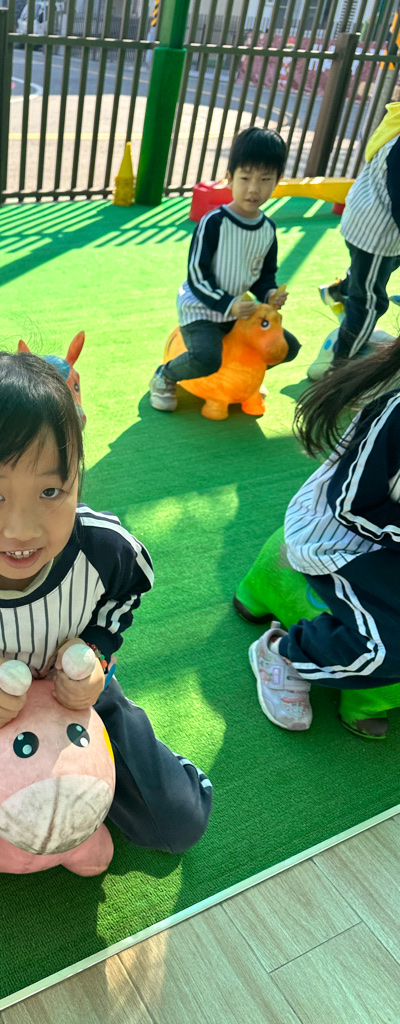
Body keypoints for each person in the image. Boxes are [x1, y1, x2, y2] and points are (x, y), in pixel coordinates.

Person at [0, 350, 213, 904]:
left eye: (51, 491)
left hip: (71, 695)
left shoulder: (106, 549)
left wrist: (95, 657)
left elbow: (121, 603)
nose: (24, 529)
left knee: (179, 823)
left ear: (78, 476)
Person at [249, 337, 400, 735]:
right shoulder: (395, 411)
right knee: (390, 645)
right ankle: (286, 652)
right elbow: (352, 504)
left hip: (387, 542)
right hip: (344, 539)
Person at [149, 126, 300, 412]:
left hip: (241, 311)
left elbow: (264, 276)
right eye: (245, 178)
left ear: (277, 181)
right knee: (207, 357)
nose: (253, 188)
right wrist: (228, 304)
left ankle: (247, 373)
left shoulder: (267, 229)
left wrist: (269, 294)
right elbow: (198, 276)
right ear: (229, 178)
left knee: (287, 348)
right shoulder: (214, 222)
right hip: (202, 308)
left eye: (265, 179)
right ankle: (165, 375)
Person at [315, 103, 400, 376]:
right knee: (370, 302)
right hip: (377, 233)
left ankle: (337, 292)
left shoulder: (397, 119)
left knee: (372, 273)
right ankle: (339, 368)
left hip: (366, 219)